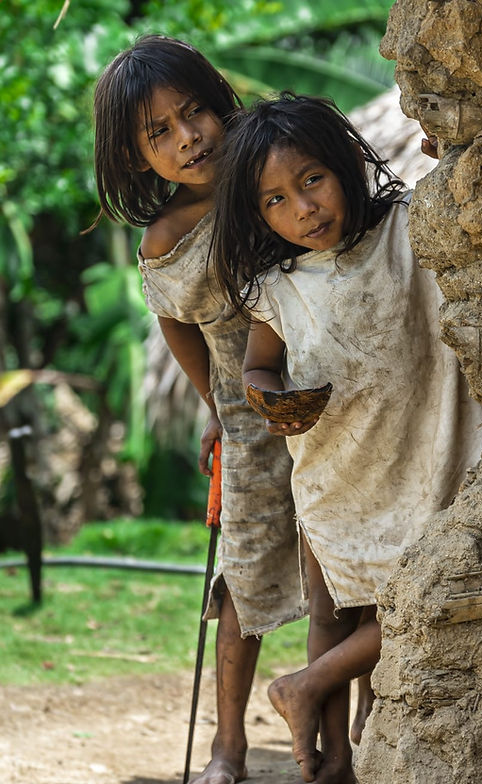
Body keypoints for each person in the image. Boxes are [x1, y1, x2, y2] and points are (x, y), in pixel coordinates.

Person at [210, 92, 482, 784]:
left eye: (311, 181)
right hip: (334, 470)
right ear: (256, 215)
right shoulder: (277, 287)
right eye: (274, 201)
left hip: (423, 454)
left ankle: (305, 684)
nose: (302, 209)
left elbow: (467, 191)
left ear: (345, 165)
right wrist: (271, 400)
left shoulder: (409, 232)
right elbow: (258, 366)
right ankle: (329, 762)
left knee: (428, 594)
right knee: (330, 609)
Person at [91, 36, 308, 784]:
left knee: (347, 570)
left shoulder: (273, 180)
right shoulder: (168, 240)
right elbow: (176, 321)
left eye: (195, 113)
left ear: (220, 105)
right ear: (133, 158)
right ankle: (228, 746)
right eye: (160, 132)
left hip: (335, 402)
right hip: (250, 423)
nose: (189, 137)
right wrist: (213, 402)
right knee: (242, 577)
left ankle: (343, 733)